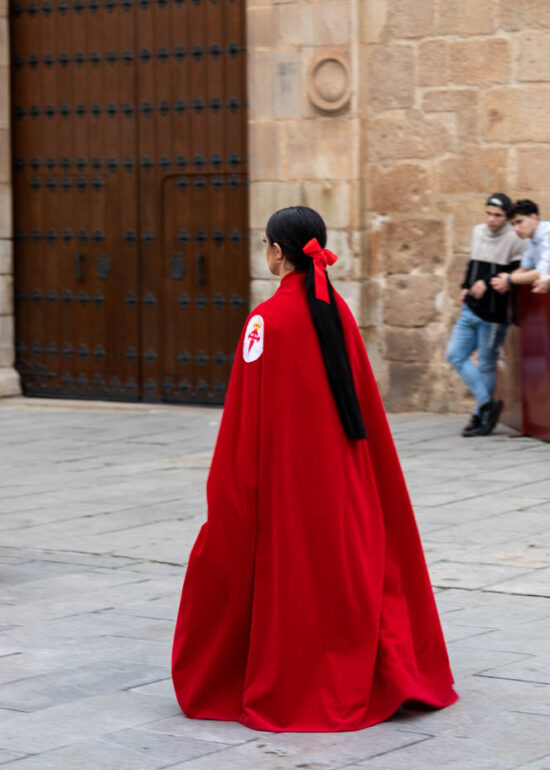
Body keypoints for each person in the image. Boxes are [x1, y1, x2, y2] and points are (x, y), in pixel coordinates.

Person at [172, 206, 457, 733]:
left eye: (264, 243)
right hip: (342, 477)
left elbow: (244, 418)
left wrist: (231, 492)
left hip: (287, 483)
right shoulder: (337, 310)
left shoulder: (266, 319)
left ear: (278, 252)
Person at [446, 193, 525, 437]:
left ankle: (481, 415)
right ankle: (487, 405)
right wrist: (464, 287)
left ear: (507, 217)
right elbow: (473, 264)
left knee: (487, 364)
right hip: (471, 307)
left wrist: (486, 284)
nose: (491, 219)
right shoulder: (478, 231)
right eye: (488, 213)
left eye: (498, 215)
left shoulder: (514, 238)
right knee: (455, 355)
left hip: (493, 313)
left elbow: (515, 273)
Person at [491, 199, 550, 295]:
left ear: (534, 218)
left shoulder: (547, 234)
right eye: (513, 224)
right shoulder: (532, 239)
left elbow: (541, 273)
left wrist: (509, 279)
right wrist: (506, 281)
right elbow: (524, 268)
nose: (516, 229)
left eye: (519, 222)